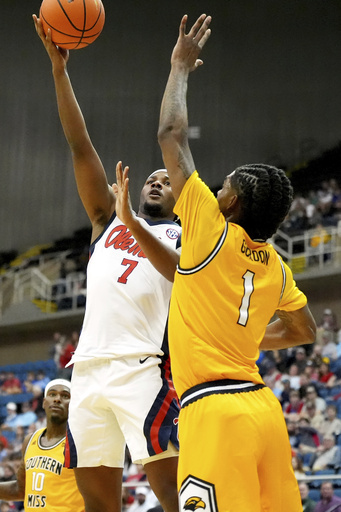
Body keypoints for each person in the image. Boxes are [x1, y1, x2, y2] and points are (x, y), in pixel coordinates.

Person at [157, 13, 317, 511]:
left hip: (214, 412)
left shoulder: (209, 229)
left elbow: (171, 135)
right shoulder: (275, 264)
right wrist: (248, 341)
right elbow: (304, 329)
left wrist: (179, 68)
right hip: (263, 411)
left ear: (230, 204)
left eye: (223, 186)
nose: (216, 188)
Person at [33, 15, 180, 512]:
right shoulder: (108, 220)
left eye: (169, 179)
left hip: (143, 368)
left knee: (176, 496)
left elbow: (177, 272)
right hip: (87, 373)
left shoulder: (190, 235)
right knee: (99, 505)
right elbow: (81, 147)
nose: (157, 181)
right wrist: (59, 71)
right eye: (151, 177)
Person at [0, 379, 84, 511]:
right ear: (44, 403)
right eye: (52, 394)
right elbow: (20, 490)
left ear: (73, 405)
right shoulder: (30, 440)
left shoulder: (79, 442)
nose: (57, 399)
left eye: (65, 396)